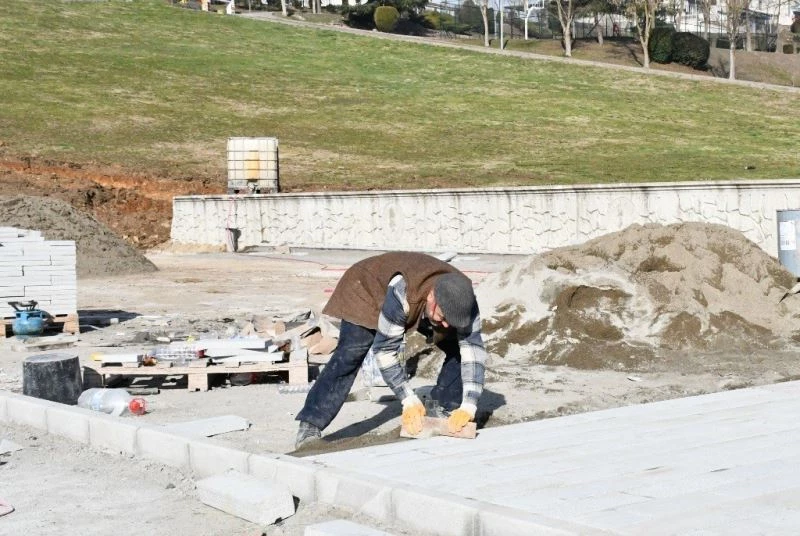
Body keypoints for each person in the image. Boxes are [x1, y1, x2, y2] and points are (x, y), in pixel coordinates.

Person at [295, 251, 487, 449]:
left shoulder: (464, 300)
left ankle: (443, 408)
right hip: (366, 288)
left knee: (457, 346)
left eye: (450, 320)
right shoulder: (403, 293)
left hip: (416, 300)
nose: (446, 325)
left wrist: (469, 405)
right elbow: (386, 351)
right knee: (351, 353)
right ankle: (310, 425)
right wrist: (408, 399)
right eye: (442, 317)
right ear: (432, 298)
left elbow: (474, 353)